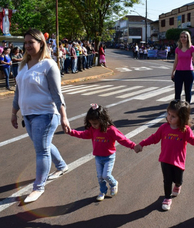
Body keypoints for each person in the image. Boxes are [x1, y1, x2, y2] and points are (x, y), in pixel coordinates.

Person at [11, 28, 70, 203]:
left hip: (45, 114)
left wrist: (64, 116)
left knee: (41, 150)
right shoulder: (23, 65)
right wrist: (14, 112)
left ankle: (38, 188)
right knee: (43, 145)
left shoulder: (48, 65)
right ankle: (61, 165)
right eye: (26, 42)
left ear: (41, 43)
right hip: (28, 116)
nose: (27, 46)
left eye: (31, 42)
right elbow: (18, 91)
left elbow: (57, 94)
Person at [134, 100, 194, 211]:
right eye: (168, 114)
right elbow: (154, 138)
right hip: (165, 160)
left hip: (178, 162)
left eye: (173, 116)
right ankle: (167, 198)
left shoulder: (185, 130)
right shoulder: (164, 128)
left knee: (178, 179)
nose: (169, 118)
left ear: (182, 118)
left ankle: (178, 185)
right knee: (167, 180)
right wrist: (142, 144)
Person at [67, 104, 136, 201]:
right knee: (100, 177)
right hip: (98, 157)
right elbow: (83, 134)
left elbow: (122, 139)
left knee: (106, 175)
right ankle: (103, 191)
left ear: (102, 120)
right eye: (91, 123)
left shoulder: (111, 130)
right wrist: (71, 132)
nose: (93, 125)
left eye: (95, 123)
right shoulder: (92, 130)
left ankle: (114, 183)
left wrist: (133, 146)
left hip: (109, 157)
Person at [171, 31, 194, 103]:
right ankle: (177, 110)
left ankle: (187, 110)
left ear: (188, 38)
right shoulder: (177, 49)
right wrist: (172, 72)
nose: (183, 38)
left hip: (189, 72)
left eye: (185, 37)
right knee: (177, 92)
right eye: (181, 37)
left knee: (188, 92)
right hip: (179, 72)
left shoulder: (192, 48)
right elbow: (176, 61)